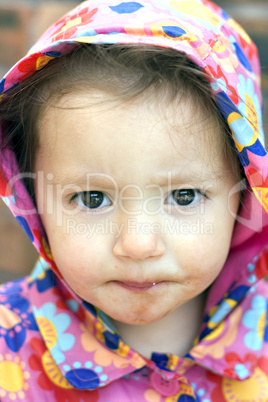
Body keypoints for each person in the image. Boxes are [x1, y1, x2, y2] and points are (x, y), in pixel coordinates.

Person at [0, 0, 267, 400]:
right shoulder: (9, 348)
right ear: (32, 198)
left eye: (184, 195)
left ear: (245, 196)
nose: (139, 246)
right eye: (92, 198)